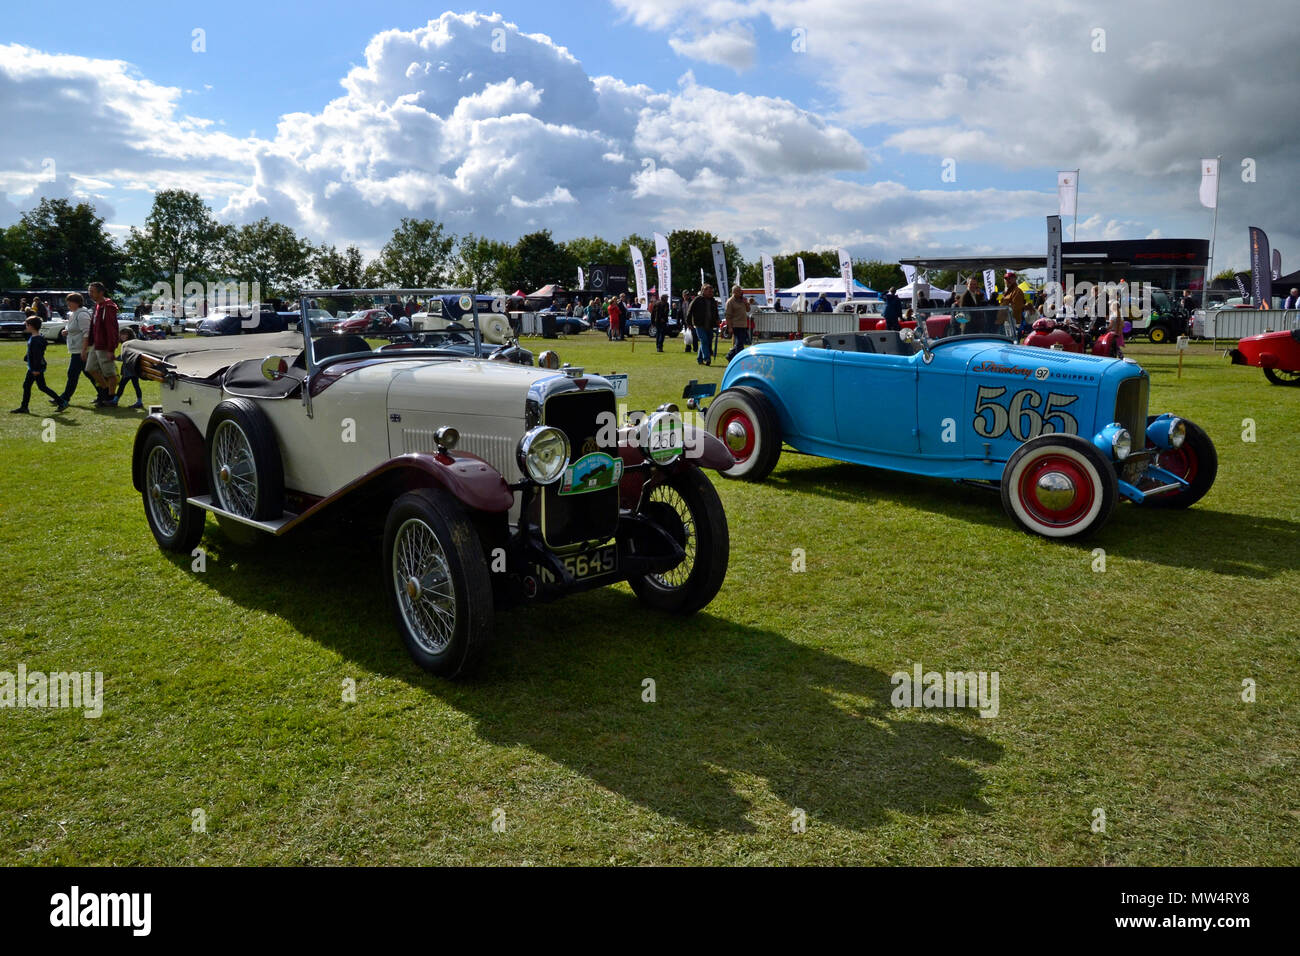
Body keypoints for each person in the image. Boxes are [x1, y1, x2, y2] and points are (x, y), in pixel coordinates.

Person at [11, 316, 66, 413]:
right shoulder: (35, 337)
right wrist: (26, 357)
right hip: (32, 367)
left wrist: (36, 369)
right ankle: (24, 407)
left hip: (35, 368)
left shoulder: (36, 340)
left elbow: (37, 356)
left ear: (31, 326)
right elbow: (32, 352)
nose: (26, 326)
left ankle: (61, 402)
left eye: (27, 325)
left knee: (41, 387)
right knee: (28, 385)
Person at [85, 281, 120, 406]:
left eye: (92, 291)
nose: (90, 294)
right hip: (96, 343)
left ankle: (111, 398)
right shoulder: (98, 306)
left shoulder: (108, 307)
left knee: (109, 372)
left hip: (104, 345)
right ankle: (105, 392)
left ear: (101, 292)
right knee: (90, 368)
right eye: (89, 291)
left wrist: (111, 349)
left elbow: (112, 329)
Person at [55, 292, 93, 406]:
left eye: (69, 302)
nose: (67, 304)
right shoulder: (73, 313)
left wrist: (84, 350)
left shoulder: (82, 315)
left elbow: (87, 333)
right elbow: (71, 327)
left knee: (72, 374)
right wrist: (66, 331)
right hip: (76, 349)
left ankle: (64, 397)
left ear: (77, 303)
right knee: (89, 373)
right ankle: (103, 394)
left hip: (81, 350)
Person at [113, 327, 145, 408]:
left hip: (131, 369)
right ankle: (139, 402)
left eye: (125, 334)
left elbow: (127, 356)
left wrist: (116, 358)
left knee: (130, 385)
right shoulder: (127, 343)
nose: (122, 336)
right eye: (122, 334)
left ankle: (116, 400)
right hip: (130, 369)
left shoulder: (129, 344)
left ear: (129, 335)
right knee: (127, 385)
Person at [689, 285, 717, 365]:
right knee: (704, 340)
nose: (711, 293)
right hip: (699, 324)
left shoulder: (713, 301)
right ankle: (707, 358)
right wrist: (689, 323)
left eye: (712, 292)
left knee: (706, 341)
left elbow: (715, 312)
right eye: (709, 291)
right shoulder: (697, 300)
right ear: (703, 291)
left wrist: (717, 320)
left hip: (709, 325)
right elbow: (690, 311)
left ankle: (699, 359)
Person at [724, 285, 751, 361]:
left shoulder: (742, 300)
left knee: (740, 343)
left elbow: (748, 310)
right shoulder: (730, 302)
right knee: (739, 344)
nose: (741, 292)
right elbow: (728, 316)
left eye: (741, 291)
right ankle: (738, 360)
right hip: (736, 325)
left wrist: (746, 303)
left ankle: (730, 356)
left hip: (743, 325)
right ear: (734, 292)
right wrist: (729, 327)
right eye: (739, 291)